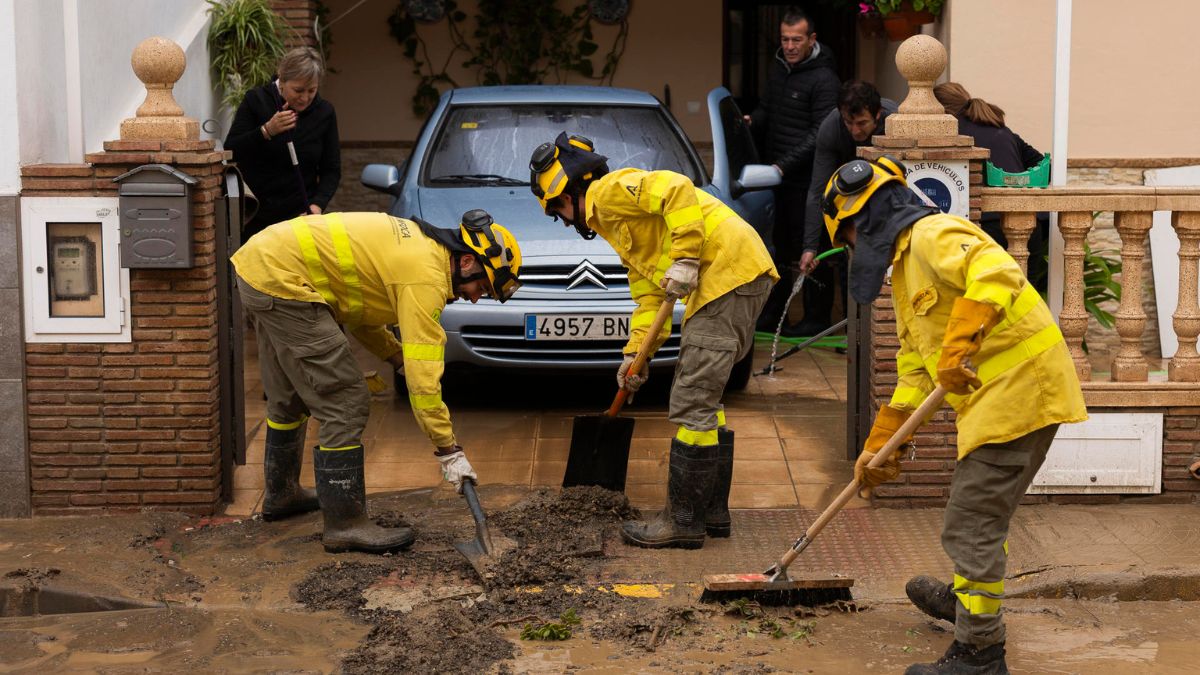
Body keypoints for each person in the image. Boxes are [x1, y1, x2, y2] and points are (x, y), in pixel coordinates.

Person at [821, 157, 1087, 674]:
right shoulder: (906, 271)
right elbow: (915, 372)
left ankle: (979, 652)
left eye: (849, 238)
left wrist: (961, 340)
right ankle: (969, 604)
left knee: (972, 522)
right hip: (997, 398)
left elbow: (997, 271)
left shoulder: (933, 233)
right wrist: (882, 443)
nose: (854, 250)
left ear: (860, 221)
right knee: (976, 516)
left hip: (1022, 392)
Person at [529, 132, 778, 549]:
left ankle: (683, 521)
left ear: (570, 193)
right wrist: (635, 356)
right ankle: (710, 512)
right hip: (732, 275)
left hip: (726, 276)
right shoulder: (615, 225)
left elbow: (675, 188)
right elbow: (648, 295)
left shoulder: (607, 192)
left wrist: (684, 257)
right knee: (705, 399)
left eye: (558, 210)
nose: (565, 221)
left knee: (692, 399)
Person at [231, 210, 522, 554]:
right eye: (482, 287)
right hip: (284, 282)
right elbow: (424, 384)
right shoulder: (425, 278)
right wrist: (448, 449)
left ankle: (282, 494)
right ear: (468, 261)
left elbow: (361, 313)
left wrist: (395, 356)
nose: (474, 297)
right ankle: (345, 524)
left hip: (261, 266)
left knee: (290, 394)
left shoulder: (421, 253)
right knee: (346, 402)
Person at [744, 6, 840, 336]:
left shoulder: (824, 78)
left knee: (810, 245)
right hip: (779, 178)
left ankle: (816, 317)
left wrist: (783, 165)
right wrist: (750, 121)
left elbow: (819, 134)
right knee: (783, 248)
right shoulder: (779, 68)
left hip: (808, 180)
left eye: (796, 39)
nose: (789, 46)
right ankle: (775, 315)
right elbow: (768, 109)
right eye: (785, 39)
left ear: (811, 39)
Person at [934, 82, 1050, 289]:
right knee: (1024, 302)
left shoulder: (953, 134)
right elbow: (1044, 167)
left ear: (940, 111)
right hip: (1031, 225)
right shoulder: (999, 128)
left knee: (986, 302)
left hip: (988, 227)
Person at [225, 47, 341, 242]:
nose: (305, 98)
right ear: (282, 79)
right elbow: (232, 151)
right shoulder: (256, 100)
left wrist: (316, 206)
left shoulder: (324, 112)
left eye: (312, 90)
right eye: (298, 90)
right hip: (256, 218)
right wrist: (266, 131)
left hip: (300, 219)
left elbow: (331, 169)